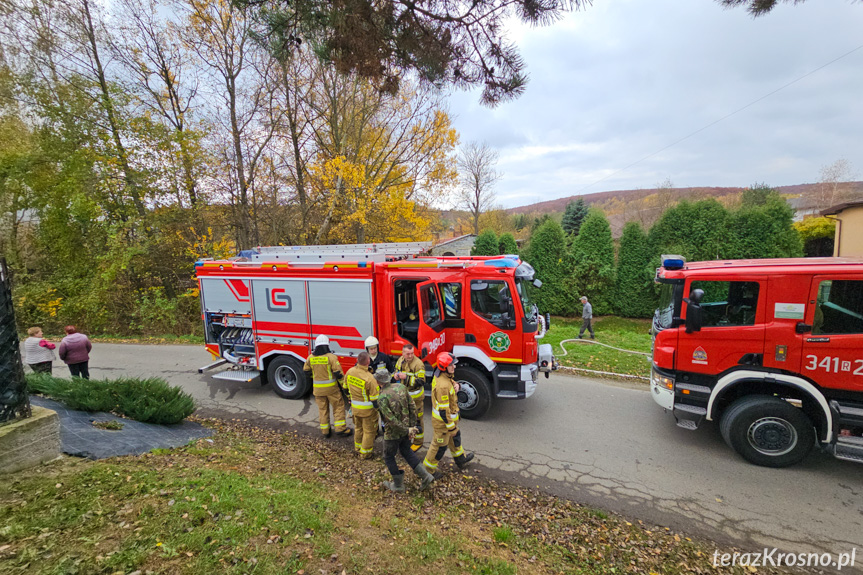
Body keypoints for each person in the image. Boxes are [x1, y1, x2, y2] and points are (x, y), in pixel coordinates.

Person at [374, 370, 435, 492]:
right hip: (407, 429)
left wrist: (406, 429)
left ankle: (398, 485)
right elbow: (412, 406)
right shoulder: (401, 387)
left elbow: (390, 420)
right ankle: (426, 476)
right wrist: (411, 427)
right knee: (406, 451)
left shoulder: (382, 397)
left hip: (393, 434)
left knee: (389, 457)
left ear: (378, 381)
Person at [423, 352, 475, 478]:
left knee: (455, 439)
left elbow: (449, 381)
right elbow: (443, 410)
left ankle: (460, 459)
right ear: (444, 367)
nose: (455, 367)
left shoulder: (443, 376)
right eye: (451, 365)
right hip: (443, 423)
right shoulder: (443, 386)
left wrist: (457, 384)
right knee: (439, 446)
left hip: (448, 422)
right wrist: (451, 427)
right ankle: (428, 470)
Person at [303, 335, 352, 438]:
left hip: (318, 390)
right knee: (338, 407)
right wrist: (344, 386)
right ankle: (340, 429)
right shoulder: (331, 357)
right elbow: (338, 374)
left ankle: (325, 431)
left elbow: (306, 371)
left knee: (322, 409)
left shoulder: (310, 358)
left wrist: (315, 377)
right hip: (332, 390)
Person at [345, 352, 380, 459]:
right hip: (368, 411)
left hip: (355, 409)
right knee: (369, 432)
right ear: (368, 361)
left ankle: (357, 448)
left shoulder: (350, 372)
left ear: (357, 360)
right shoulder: (370, 378)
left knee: (358, 429)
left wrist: (350, 399)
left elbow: (345, 388)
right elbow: (375, 400)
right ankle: (365, 454)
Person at [394, 343, 426, 452]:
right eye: (408, 354)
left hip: (416, 398)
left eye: (412, 353)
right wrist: (395, 376)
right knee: (405, 419)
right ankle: (407, 438)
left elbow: (421, 381)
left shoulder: (418, 364)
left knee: (417, 420)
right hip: (403, 397)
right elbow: (396, 371)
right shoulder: (400, 360)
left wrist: (406, 378)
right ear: (403, 353)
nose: (410, 356)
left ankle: (418, 442)